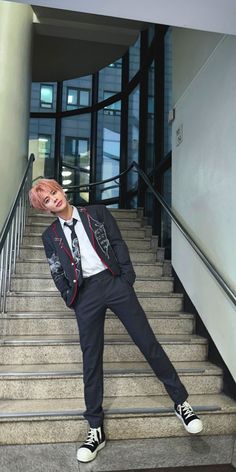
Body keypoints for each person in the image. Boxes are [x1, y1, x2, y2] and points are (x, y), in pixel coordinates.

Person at [29, 179, 203, 463]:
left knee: (147, 342)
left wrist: (126, 279)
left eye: (54, 192)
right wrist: (70, 297)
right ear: (44, 208)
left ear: (61, 190)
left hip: (113, 283)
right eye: (47, 200)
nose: (54, 199)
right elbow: (56, 269)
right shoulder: (50, 236)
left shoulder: (96, 213)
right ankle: (95, 428)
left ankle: (181, 402)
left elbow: (118, 242)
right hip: (84, 295)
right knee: (91, 358)